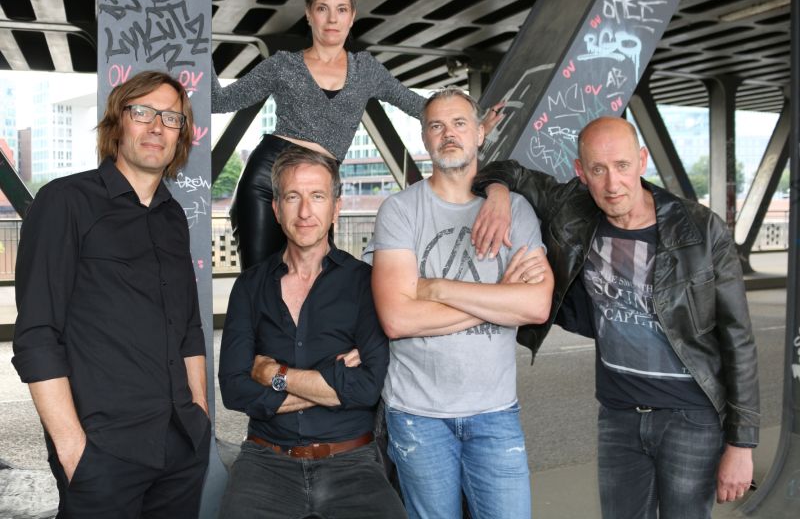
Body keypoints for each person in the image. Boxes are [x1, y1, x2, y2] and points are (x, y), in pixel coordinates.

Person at [472, 116, 759, 519]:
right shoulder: (572, 206)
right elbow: (504, 169)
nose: (612, 184)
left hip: (691, 418)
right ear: (580, 171)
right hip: (619, 415)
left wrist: (742, 445)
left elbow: (738, 339)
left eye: (622, 166)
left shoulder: (700, 228)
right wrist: (499, 193)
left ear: (642, 161)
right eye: (598, 169)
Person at [12, 71, 210, 518]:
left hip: (180, 446)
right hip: (102, 453)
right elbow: (37, 336)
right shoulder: (64, 201)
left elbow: (189, 328)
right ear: (118, 122)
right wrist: (73, 451)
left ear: (180, 136)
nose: (157, 126)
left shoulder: (173, 217)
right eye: (143, 112)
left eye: (171, 118)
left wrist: (199, 411)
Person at [211, 0, 504, 269]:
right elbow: (219, 101)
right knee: (259, 277)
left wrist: (476, 122)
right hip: (266, 179)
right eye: (322, 8)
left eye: (341, 9)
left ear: (352, 17)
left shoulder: (366, 70)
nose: (332, 19)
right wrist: (197, 42)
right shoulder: (283, 65)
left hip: (322, 183)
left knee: (318, 280)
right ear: (309, 14)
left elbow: (420, 106)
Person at [364, 87, 554, 519]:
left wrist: (434, 288)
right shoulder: (399, 210)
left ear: (480, 134)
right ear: (425, 138)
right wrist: (500, 297)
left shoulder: (516, 211)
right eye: (436, 126)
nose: (448, 134)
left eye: (459, 123)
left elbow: (536, 307)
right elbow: (397, 318)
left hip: (496, 413)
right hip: (417, 415)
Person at [218, 146, 406, 519]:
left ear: (336, 207)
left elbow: (367, 388)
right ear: (276, 209)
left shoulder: (365, 283)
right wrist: (332, 383)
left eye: (317, 196)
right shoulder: (250, 287)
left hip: (351, 461)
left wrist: (274, 374)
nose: (305, 211)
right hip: (266, 460)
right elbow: (234, 389)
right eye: (293, 197)